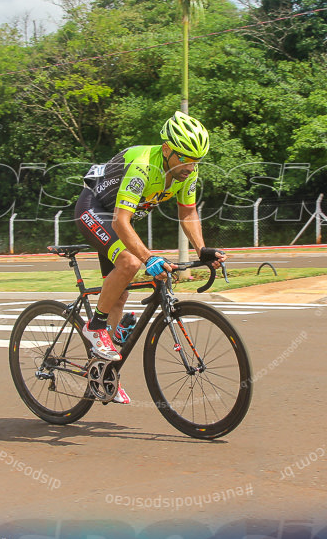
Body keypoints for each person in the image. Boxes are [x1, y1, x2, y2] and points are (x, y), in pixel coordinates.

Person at [75, 112, 225, 403]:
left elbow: (188, 212)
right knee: (130, 263)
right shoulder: (144, 166)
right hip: (94, 209)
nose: (191, 167)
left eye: (196, 161)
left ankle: (102, 375)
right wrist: (147, 258)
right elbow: (120, 222)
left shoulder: (187, 173)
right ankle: (95, 326)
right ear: (167, 149)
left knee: (119, 295)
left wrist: (201, 250)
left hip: (115, 218)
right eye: (185, 158)